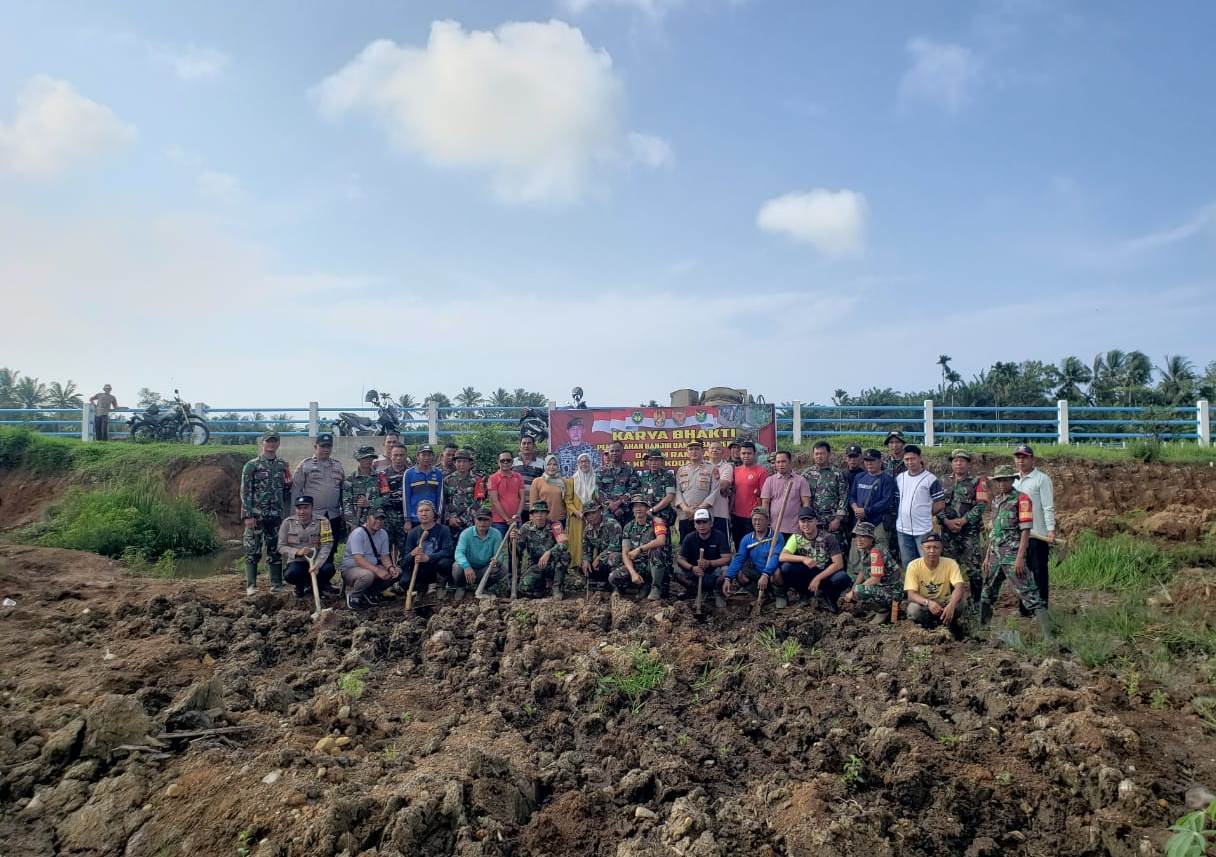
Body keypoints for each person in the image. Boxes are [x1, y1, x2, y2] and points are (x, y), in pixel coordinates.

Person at [980, 465, 1052, 639]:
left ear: (1012, 480)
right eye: (999, 480)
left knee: (1030, 592)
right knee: (987, 592)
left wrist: (1020, 557)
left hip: (1012, 554)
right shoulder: (996, 500)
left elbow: (1026, 531)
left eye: (1005, 480)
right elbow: (994, 530)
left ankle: (1049, 636)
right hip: (995, 554)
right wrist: (988, 556)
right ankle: (982, 631)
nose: (1002, 483)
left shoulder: (1022, 499)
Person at [240, 430, 293, 595]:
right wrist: (247, 515)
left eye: (274, 441)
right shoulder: (252, 465)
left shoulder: (282, 465)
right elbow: (245, 491)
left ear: (278, 443)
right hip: (256, 515)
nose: (271, 444)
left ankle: (276, 584)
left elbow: (286, 488)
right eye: (268, 441)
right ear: (263, 443)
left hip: (275, 515)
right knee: (252, 549)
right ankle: (251, 585)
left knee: (275, 549)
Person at [938, 449, 989, 604]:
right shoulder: (942, 481)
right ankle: (953, 601)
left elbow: (981, 505)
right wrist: (946, 521)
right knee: (948, 567)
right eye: (955, 461)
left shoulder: (978, 482)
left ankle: (976, 603)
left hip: (969, 532)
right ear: (951, 463)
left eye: (962, 461)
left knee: (973, 569)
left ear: (968, 464)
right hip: (947, 532)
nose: (958, 463)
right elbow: (936, 505)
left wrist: (964, 521)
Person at [1013, 443, 1056, 610]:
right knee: (1021, 573)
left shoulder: (1042, 480)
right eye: (1018, 457)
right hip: (1017, 537)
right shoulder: (1014, 481)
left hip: (1037, 535)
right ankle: (1025, 608)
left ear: (1032, 459)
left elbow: (1047, 507)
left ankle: (1041, 609)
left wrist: (1051, 530)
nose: (1021, 461)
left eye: (1024, 457)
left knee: (1038, 573)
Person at [776, 509, 846, 611]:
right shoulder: (796, 537)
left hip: (825, 573)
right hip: (808, 572)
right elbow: (782, 556)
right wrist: (803, 558)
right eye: (803, 521)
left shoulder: (829, 538)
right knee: (787, 568)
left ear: (816, 521)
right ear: (799, 523)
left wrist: (818, 578)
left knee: (842, 577)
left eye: (809, 521)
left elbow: (838, 564)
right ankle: (805, 593)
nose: (806, 525)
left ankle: (828, 597)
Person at [904, 532, 968, 635]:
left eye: (935, 547)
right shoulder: (913, 566)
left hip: (944, 601)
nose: (932, 551)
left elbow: (959, 587)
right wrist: (929, 603)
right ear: (922, 548)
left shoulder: (950, 563)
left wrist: (951, 606)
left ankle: (950, 622)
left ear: (941, 548)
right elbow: (911, 595)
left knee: (960, 601)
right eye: (928, 547)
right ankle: (927, 627)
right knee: (913, 610)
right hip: (924, 603)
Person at [840, 521, 904, 620]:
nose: (859, 540)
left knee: (860, 591)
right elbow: (863, 571)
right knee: (856, 589)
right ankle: (879, 609)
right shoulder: (865, 550)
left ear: (871, 538)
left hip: (892, 592)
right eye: (857, 536)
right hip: (883, 589)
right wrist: (853, 589)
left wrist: (856, 591)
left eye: (863, 536)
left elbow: (875, 579)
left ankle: (884, 610)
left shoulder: (876, 551)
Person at [894, 444, 945, 566]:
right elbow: (896, 501)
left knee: (927, 563)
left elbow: (940, 503)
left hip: (923, 530)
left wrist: (926, 513)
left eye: (913, 459)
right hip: (902, 529)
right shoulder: (900, 478)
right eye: (906, 459)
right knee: (909, 565)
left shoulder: (930, 479)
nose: (910, 462)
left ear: (920, 458)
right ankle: (911, 585)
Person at [292, 433, 346, 544]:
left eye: (328, 446)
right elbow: (296, 490)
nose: (326, 449)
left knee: (329, 545)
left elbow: (342, 491)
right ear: (315, 447)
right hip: (313, 515)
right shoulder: (305, 465)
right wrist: (295, 515)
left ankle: (328, 561)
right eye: (323, 446)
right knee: (313, 546)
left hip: (332, 514)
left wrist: (344, 513)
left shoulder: (337, 465)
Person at [341, 508, 401, 608]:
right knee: (367, 575)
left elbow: (384, 556)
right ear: (368, 519)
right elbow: (358, 560)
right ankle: (354, 596)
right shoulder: (358, 533)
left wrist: (390, 568)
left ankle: (370, 593)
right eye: (376, 518)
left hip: (372, 567)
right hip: (352, 569)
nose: (379, 521)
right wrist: (377, 571)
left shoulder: (383, 534)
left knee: (397, 572)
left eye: (381, 519)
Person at [278, 495, 336, 599]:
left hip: (316, 561)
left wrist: (317, 565)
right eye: (299, 508)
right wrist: (297, 552)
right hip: (297, 561)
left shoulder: (323, 522)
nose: (302, 512)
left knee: (328, 569)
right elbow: (281, 546)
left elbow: (327, 545)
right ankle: (300, 587)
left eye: (305, 508)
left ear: (312, 508)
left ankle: (318, 587)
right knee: (290, 574)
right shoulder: (287, 523)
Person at [722, 506, 779, 608]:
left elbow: (776, 557)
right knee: (739, 573)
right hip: (757, 573)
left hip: (771, 573)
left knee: (778, 573)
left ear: (767, 521)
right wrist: (728, 578)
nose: (757, 522)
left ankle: (779, 595)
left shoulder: (776, 537)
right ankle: (762, 595)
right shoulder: (747, 539)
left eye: (760, 519)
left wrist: (766, 574)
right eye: (754, 519)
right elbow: (739, 559)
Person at [511, 500, 570, 599]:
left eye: (542, 512)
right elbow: (518, 550)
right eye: (536, 512)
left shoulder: (555, 525)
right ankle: (543, 588)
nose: (539, 515)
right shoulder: (526, 528)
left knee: (565, 555)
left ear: (547, 514)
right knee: (523, 588)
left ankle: (556, 588)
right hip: (536, 565)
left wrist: (549, 552)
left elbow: (564, 544)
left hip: (552, 563)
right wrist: (513, 540)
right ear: (532, 515)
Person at [615, 495, 669, 600]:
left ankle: (656, 588)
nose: (638, 509)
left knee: (656, 551)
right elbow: (625, 552)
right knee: (614, 577)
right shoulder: (628, 527)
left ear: (647, 508)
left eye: (641, 506)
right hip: (639, 565)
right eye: (635, 506)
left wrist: (639, 549)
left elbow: (661, 540)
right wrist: (633, 573)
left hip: (655, 565)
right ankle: (642, 586)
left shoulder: (657, 521)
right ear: (632, 509)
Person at [673, 508, 733, 600]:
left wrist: (710, 563)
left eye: (704, 522)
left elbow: (727, 558)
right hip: (695, 573)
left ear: (711, 523)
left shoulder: (719, 536)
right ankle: (694, 591)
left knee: (727, 571)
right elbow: (681, 559)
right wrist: (692, 568)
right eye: (698, 522)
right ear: (694, 525)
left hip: (713, 572)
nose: (702, 525)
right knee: (676, 571)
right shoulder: (689, 538)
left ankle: (716, 592)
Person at [401, 499, 455, 600]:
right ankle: (421, 589)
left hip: (436, 567)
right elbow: (405, 560)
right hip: (421, 569)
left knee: (445, 563)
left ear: (434, 514)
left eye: (427, 510)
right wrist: (412, 554)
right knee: (404, 581)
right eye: (420, 511)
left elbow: (448, 551)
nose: (424, 513)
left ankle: (440, 586)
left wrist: (428, 558)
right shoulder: (412, 533)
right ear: (417, 514)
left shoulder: (443, 530)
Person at [451, 508, 504, 601]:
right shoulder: (466, 533)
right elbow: (459, 553)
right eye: (480, 519)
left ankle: (484, 588)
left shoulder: (496, 534)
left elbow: (499, 554)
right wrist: (466, 566)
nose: (482, 523)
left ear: (491, 521)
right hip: (468, 568)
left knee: (502, 569)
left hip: (485, 568)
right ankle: (461, 587)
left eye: (486, 519)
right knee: (456, 567)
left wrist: (497, 561)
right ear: (475, 520)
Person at [849, 449, 896, 550]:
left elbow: (886, 501)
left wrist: (866, 511)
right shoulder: (859, 477)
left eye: (872, 460)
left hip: (878, 522)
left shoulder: (887, 479)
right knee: (856, 553)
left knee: (879, 553)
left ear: (880, 461)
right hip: (859, 523)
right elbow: (852, 496)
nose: (869, 463)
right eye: (866, 460)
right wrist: (856, 509)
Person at [760, 450, 810, 541]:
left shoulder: (801, 481)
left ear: (790, 463)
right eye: (778, 462)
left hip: (795, 529)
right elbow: (765, 503)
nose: (780, 464)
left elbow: (806, 503)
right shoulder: (769, 481)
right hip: (774, 528)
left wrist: (804, 523)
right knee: (776, 554)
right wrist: (765, 522)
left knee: (791, 554)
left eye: (783, 461)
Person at [802, 441, 849, 538]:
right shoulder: (806, 474)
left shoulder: (837, 474)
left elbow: (843, 497)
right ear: (813, 455)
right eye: (816, 454)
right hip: (813, 522)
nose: (819, 456)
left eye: (822, 453)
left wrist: (838, 519)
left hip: (833, 521)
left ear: (828, 454)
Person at [674, 439, 717, 542]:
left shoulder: (712, 469)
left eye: (697, 449)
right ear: (687, 452)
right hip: (685, 515)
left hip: (704, 514)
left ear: (703, 451)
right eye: (691, 449)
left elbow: (714, 491)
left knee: (705, 545)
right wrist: (685, 508)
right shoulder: (681, 470)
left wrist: (698, 509)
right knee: (686, 545)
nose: (694, 452)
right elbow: (678, 492)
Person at [730, 441, 768, 548]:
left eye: (749, 453)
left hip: (752, 516)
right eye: (743, 453)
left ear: (755, 454)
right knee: (738, 545)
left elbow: (764, 496)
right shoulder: (735, 471)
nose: (746, 456)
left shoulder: (761, 471)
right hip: (736, 515)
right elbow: (732, 492)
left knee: (752, 546)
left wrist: (763, 516)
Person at [581, 500, 624, 592]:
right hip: (601, 562)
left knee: (613, 558)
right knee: (583, 566)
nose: (591, 517)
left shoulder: (612, 524)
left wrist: (599, 557)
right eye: (587, 515)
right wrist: (586, 560)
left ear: (600, 511)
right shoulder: (587, 530)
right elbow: (585, 549)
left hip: (618, 557)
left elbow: (616, 546)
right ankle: (600, 585)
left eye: (593, 513)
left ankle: (617, 587)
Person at [442, 448, 482, 540]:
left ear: (470, 463)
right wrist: (450, 517)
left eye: (465, 461)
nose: (461, 464)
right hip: (451, 523)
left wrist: (463, 519)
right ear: (454, 463)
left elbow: (479, 503)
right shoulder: (447, 480)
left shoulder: (477, 480)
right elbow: (444, 502)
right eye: (459, 461)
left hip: (470, 523)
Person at [597, 440, 639, 526]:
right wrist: (611, 505)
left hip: (626, 512)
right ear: (608, 452)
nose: (614, 453)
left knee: (626, 538)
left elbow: (634, 489)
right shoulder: (601, 471)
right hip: (608, 513)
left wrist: (619, 503)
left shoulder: (630, 470)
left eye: (617, 450)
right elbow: (598, 491)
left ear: (623, 452)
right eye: (612, 451)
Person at [378, 446, 410, 560]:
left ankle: (404, 574)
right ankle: (388, 573)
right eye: (395, 455)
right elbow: (380, 498)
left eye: (401, 455)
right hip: (388, 518)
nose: (398, 458)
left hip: (406, 518)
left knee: (406, 550)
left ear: (406, 456)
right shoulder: (383, 474)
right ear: (390, 456)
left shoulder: (411, 473)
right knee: (385, 549)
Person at [566, 452, 597, 568]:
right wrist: (577, 512)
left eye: (586, 461)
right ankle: (577, 565)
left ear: (590, 463)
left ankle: (592, 565)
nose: (584, 464)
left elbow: (598, 498)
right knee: (578, 540)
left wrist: (594, 514)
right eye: (581, 461)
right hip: (577, 517)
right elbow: (568, 501)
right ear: (578, 464)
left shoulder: (595, 478)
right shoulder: (571, 480)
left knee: (593, 539)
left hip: (593, 518)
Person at [343, 446, 383, 531]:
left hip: (376, 521)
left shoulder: (380, 477)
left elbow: (386, 498)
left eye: (370, 458)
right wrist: (351, 523)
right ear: (358, 459)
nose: (368, 460)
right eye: (364, 458)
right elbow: (346, 503)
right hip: (356, 522)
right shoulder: (350, 479)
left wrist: (370, 503)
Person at [403, 444, 443, 529]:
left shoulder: (438, 473)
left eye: (429, 455)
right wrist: (407, 520)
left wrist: (438, 517)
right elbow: (406, 497)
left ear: (433, 457)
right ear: (418, 456)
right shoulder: (409, 473)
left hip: (432, 519)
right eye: (423, 455)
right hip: (414, 519)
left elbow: (440, 497)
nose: (426, 458)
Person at [488, 449, 527, 536]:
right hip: (499, 521)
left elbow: (522, 498)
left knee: (516, 547)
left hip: (516, 519)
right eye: (502, 460)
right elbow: (495, 501)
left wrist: (517, 515)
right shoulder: (493, 478)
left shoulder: (518, 476)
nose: (505, 462)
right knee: (498, 546)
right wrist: (507, 519)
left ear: (512, 462)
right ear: (498, 462)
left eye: (508, 460)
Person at [637, 448, 677, 531]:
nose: (653, 463)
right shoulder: (643, 477)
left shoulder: (667, 476)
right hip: (646, 516)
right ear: (647, 462)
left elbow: (669, 497)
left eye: (656, 460)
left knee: (663, 541)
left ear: (661, 461)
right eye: (650, 460)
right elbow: (640, 496)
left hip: (662, 516)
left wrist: (653, 510)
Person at [530, 454, 569, 532]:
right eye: (549, 464)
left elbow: (567, 501)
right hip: (542, 520)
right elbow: (533, 503)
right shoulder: (537, 481)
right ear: (545, 465)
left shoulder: (564, 481)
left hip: (560, 521)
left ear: (558, 466)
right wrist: (532, 519)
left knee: (560, 543)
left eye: (554, 464)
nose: (552, 467)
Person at [705, 440, 734, 540]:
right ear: (708, 451)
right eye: (712, 448)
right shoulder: (702, 466)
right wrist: (716, 480)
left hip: (720, 512)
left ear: (722, 452)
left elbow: (723, 485)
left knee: (723, 544)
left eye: (718, 449)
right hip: (704, 512)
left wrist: (705, 484)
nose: (715, 450)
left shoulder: (727, 467)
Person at [840, 443, 866, 552]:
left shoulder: (865, 474)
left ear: (860, 458)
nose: (852, 460)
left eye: (855, 457)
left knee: (859, 541)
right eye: (850, 457)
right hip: (843, 513)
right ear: (846, 458)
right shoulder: (841, 474)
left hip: (858, 513)